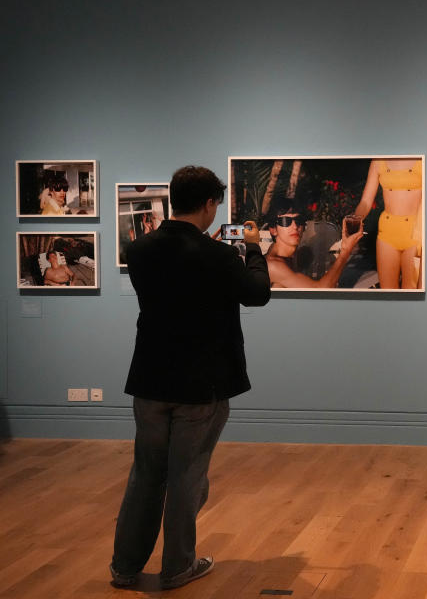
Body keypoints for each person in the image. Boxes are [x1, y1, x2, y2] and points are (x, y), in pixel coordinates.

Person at [110, 166, 271, 591]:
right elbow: (257, 293)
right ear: (209, 203)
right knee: (187, 477)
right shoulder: (218, 256)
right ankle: (178, 567)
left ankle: (124, 568)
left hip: (149, 380)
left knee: (145, 474)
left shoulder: (140, 249)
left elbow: (179, 281)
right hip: (202, 384)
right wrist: (252, 250)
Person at [351, 158, 423, 288]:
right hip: (387, 233)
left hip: (415, 234)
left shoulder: (421, 160)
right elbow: (366, 201)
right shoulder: (378, 161)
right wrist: (354, 220)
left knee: (411, 293)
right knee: (388, 293)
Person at [263, 198, 362, 289]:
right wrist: (345, 251)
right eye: (285, 221)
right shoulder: (273, 265)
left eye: (299, 220)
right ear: (273, 230)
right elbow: (319, 292)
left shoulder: (291, 255)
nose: (295, 226)